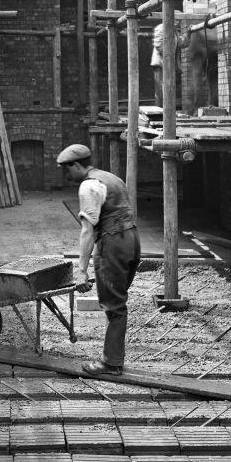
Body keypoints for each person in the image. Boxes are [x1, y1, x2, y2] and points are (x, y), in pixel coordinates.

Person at [57, 143, 141, 377]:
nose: (66, 175)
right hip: (132, 240)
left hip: (112, 243)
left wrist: (81, 271)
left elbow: (87, 231)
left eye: (67, 169)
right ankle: (113, 357)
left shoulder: (89, 186)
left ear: (76, 165)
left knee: (114, 305)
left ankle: (111, 364)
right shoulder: (112, 178)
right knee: (117, 301)